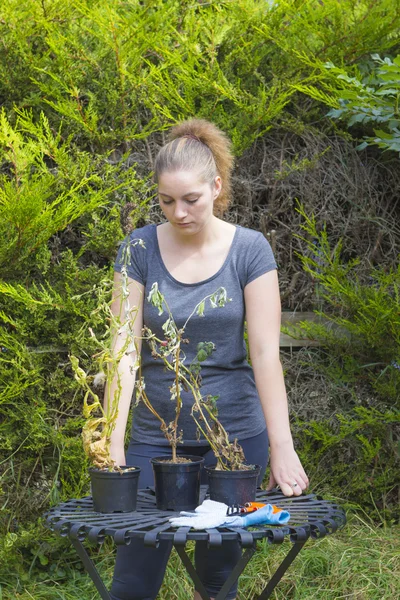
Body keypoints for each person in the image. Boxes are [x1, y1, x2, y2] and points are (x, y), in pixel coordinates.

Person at [108, 118, 309, 600]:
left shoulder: (250, 250)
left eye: (191, 199)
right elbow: (122, 350)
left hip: (236, 442)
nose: (178, 212)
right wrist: (112, 443)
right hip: (155, 441)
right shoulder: (138, 249)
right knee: (132, 584)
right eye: (166, 200)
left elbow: (264, 354)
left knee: (216, 583)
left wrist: (282, 446)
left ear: (216, 187)